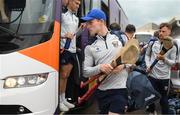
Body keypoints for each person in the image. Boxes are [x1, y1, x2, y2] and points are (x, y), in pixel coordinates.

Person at [82, 9, 129, 115]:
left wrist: (124, 65)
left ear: (101, 21)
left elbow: (132, 59)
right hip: (102, 91)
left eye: (90, 22)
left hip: (120, 89)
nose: (87, 26)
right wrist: (100, 68)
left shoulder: (121, 38)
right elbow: (85, 71)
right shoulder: (90, 47)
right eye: (87, 23)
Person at [145, 23, 177, 114]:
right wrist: (148, 65)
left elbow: (173, 63)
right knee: (150, 96)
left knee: (164, 100)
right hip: (152, 75)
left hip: (164, 77)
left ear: (169, 32)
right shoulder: (152, 43)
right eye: (160, 31)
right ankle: (152, 111)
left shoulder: (173, 47)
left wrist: (164, 59)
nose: (161, 33)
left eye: (163, 31)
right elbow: (147, 55)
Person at [60, 0, 81, 112]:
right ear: (70, 2)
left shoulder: (76, 18)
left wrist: (80, 30)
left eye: (79, 4)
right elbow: (54, 30)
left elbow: (73, 35)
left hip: (72, 50)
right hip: (64, 49)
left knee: (67, 75)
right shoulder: (62, 16)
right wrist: (63, 35)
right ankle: (59, 101)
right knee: (63, 75)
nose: (78, 6)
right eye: (76, 3)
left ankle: (63, 99)